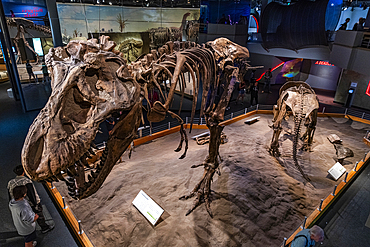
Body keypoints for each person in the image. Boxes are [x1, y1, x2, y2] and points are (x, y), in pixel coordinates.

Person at [8, 165, 53, 234]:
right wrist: (36, 204)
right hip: (29, 203)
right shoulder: (26, 181)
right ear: (24, 172)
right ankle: (44, 227)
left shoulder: (10, 182)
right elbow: (32, 195)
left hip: (18, 204)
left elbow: (10, 194)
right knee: (39, 215)